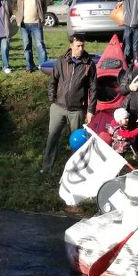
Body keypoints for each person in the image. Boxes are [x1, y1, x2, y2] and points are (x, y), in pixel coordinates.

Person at [41, 33, 97, 173]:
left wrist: (90, 111)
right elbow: (53, 81)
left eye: (83, 45)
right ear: (71, 45)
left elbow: (94, 89)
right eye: (78, 46)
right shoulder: (61, 61)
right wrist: (52, 99)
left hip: (77, 110)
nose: (81, 48)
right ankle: (46, 168)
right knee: (52, 137)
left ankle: (75, 171)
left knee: (77, 142)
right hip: (58, 107)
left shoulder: (89, 64)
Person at [13, 0, 48, 72]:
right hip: (24, 24)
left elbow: (44, 6)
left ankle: (44, 66)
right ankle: (30, 66)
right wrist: (18, 17)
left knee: (40, 45)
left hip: (36, 24)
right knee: (26, 46)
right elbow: (17, 7)